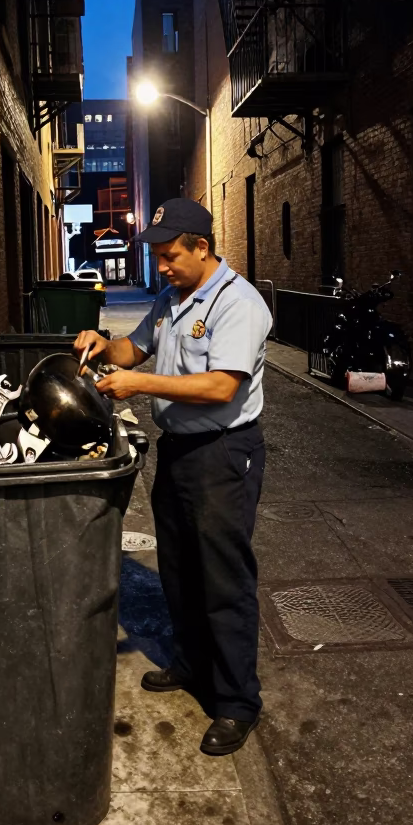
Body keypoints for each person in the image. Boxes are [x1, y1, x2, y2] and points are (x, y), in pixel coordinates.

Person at [74, 197, 272, 756]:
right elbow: (133, 349)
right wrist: (99, 342)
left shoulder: (240, 304)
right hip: (181, 451)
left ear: (201, 248)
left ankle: (236, 702)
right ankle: (189, 663)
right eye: (157, 256)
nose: (160, 266)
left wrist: (139, 388)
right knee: (180, 568)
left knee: (224, 578)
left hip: (225, 453)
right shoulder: (170, 298)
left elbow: (220, 387)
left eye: (169, 256)